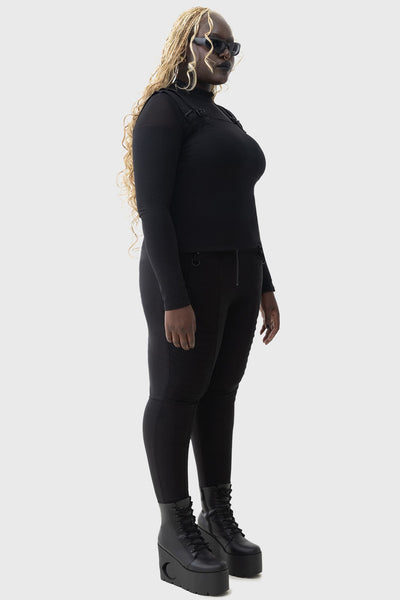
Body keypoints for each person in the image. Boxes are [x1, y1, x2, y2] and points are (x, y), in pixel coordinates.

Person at [120, 6, 280, 596]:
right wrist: (173, 297)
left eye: (233, 48)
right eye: (214, 43)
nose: (224, 55)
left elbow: (243, 206)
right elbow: (154, 209)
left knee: (219, 395)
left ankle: (217, 516)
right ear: (186, 45)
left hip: (239, 276)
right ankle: (176, 527)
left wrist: (265, 284)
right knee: (176, 393)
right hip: (186, 278)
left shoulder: (222, 117)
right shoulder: (165, 110)